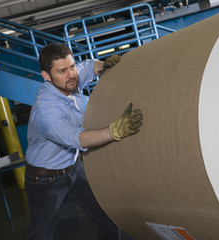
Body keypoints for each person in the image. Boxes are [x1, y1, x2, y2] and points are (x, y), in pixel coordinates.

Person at [25, 43, 142, 240]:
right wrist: (114, 131)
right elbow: (77, 138)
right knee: (41, 234)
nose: (71, 74)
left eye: (71, 66)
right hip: (45, 178)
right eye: (62, 71)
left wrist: (103, 65)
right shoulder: (46, 112)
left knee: (108, 214)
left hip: (73, 167)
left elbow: (87, 66)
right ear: (46, 76)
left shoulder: (69, 79)